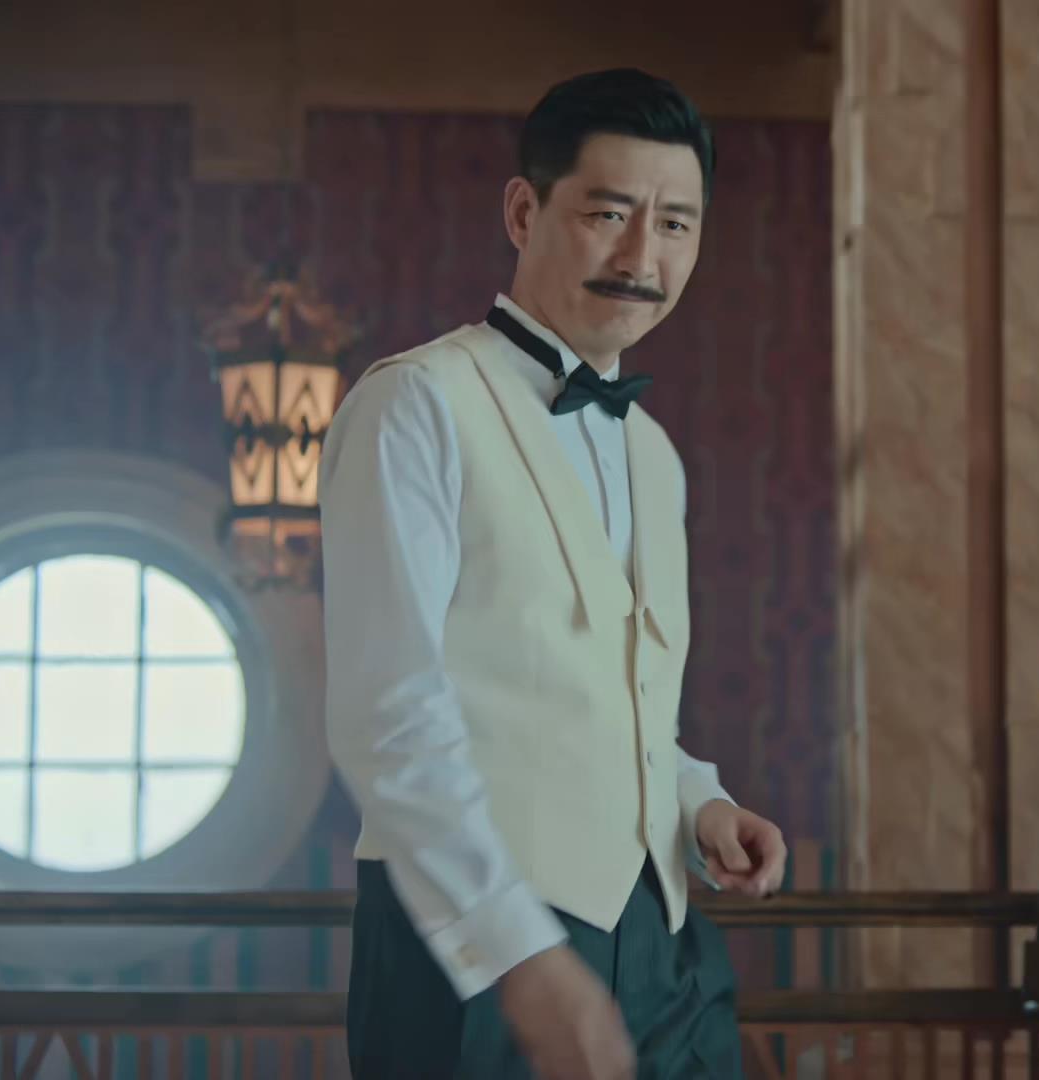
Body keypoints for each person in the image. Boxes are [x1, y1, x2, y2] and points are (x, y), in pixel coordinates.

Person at [321, 68, 787, 1080]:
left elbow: (611, 701)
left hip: (661, 943)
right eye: (609, 215)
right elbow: (385, 710)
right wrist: (518, 957)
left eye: (676, 225)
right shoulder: (415, 405)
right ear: (524, 212)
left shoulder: (653, 453)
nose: (642, 257)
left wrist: (698, 804)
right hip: (469, 950)